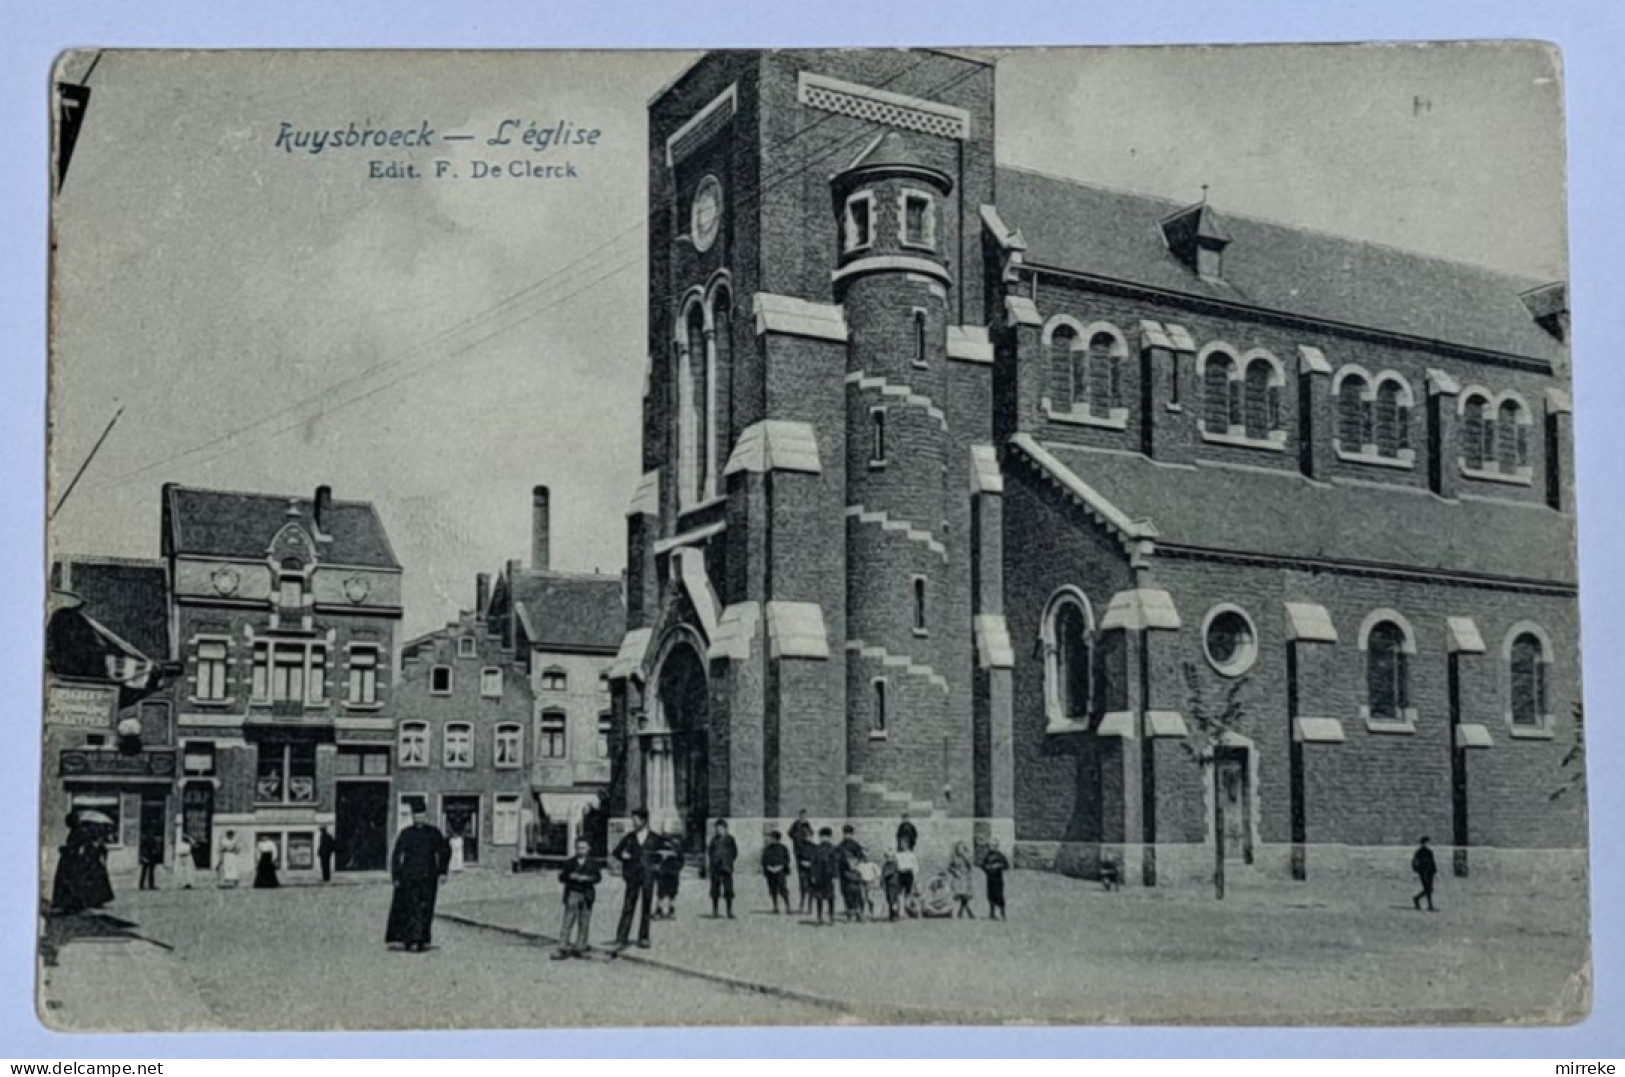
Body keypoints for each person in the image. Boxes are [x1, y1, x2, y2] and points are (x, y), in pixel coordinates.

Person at [386, 803, 451, 952]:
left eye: (422, 816)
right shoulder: (406, 834)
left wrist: (442, 871)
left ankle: (421, 939)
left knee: (426, 908)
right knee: (411, 908)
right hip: (409, 877)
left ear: (426, 816)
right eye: (416, 816)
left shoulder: (433, 833)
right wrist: (396, 875)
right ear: (413, 817)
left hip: (429, 877)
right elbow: (396, 855)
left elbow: (444, 851)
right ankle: (410, 939)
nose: (419, 818)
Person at [612, 809, 658, 950]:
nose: (633, 822)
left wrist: (656, 867)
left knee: (646, 907)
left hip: (648, 877)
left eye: (636, 819)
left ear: (644, 821)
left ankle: (643, 937)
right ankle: (621, 937)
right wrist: (623, 857)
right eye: (633, 819)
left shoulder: (655, 838)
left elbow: (664, 854)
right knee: (628, 906)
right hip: (632, 877)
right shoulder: (630, 837)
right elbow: (616, 852)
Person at [553, 838, 602, 960]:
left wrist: (587, 878)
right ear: (575, 849)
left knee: (584, 921)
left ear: (588, 849)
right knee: (568, 920)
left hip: (587, 894)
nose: (581, 850)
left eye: (584, 848)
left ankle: (581, 947)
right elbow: (561, 877)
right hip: (573, 893)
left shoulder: (593, 863)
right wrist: (570, 876)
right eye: (579, 848)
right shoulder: (570, 863)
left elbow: (598, 878)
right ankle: (562, 947)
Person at [707, 818, 739, 919]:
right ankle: (715, 911)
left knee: (728, 890)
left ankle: (729, 911)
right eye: (717, 828)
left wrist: (728, 861)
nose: (718, 830)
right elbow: (710, 852)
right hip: (715, 868)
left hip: (726, 868)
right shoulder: (713, 840)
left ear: (725, 829)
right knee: (715, 890)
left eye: (720, 828)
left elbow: (734, 852)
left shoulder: (730, 839)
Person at [808, 827, 839, 925]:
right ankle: (819, 917)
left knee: (830, 897)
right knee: (819, 897)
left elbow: (835, 863)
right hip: (819, 875)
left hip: (829, 876)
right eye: (822, 837)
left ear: (830, 837)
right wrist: (812, 875)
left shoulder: (833, 849)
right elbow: (813, 863)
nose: (824, 839)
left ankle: (831, 916)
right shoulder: (816, 849)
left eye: (826, 837)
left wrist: (835, 876)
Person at [837, 824, 867, 923]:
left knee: (856, 892)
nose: (847, 836)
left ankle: (859, 912)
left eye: (849, 834)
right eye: (846, 834)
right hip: (844, 872)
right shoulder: (840, 846)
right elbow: (837, 858)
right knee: (846, 892)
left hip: (854, 873)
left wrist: (855, 862)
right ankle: (850, 913)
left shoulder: (855, 845)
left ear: (852, 834)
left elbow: (862, 857)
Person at [788, 810, 814, 913]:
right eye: (802, 815)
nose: (804, 817)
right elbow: (789, 833)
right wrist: (797, 839)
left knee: (811, 884)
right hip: (800, 855)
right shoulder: (796, 824)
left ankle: (809, 906)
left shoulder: (807, 824)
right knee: (803, 883)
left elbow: (811, 831)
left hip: (810, 864)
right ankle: (802, 904)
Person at [761, 829, 792, 914]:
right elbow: (764, 860)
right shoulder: (767, 849)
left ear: (778, 839)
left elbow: (787, 859)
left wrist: (780, 867)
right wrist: (769, 867)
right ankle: (775, 907)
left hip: (780, 872)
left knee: (783, 890)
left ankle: (788, 907)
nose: (771, 840)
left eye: (773, 838)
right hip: (770, 873)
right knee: (773, 889)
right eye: (771, 838)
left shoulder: (783, 848)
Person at [654, 836, 683, 921]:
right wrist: (658, 866)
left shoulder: (677, 850)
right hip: (662, 874)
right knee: (661, 893)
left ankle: (671, 910)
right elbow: (654, 861)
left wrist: (676, 868)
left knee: (672, 893)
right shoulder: (659, 850)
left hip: (673, 874)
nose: (668, 844)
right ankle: (659, 910)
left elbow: (681, 861)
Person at [981, 838, 1011, 920]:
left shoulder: (1000, 855)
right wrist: (986, 867)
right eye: (989, 845)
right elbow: (983, 865)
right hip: (990, 878)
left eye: (993, 845)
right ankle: (992, 913)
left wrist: (997, 865)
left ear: (996, 846)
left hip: (998, 879)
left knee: (999, 895)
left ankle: (1002, 913)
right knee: (990, 896)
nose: (991, 847)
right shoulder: (987, 855)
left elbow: (1006, 865)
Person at [1412, 835, 1439, 912]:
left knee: (1429, 889)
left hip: (1430, 872)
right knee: (1428, 889)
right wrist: (1419, 870)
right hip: (1423, 872)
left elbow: (1432, 862)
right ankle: (1428, 904)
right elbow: (1416, 862)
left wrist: (1434, 870)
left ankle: (1418, 899)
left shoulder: (1429, 852)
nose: (1427, 844)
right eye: (1426, 842)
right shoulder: (1419, 852)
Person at [949, 841, 976, 918]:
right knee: (961, 895)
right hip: (958, 878)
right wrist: (955, 871)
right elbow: (949, 867)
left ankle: (961, 912)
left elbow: (970, 866)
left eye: (962, 848)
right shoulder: (954, 857)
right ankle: (968, 912)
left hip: (966, 877)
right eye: (959, 848)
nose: (960, 850)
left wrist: (965, 856)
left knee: (965, 895)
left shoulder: (967, 856)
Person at [895, 838, 919, 907]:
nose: (902, 845)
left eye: (904, 843)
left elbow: (915, 866)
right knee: (899, 892)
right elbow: (896, 865)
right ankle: (901, 908)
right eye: (901, 843)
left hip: (909, 874)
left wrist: (915, 877)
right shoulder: (898, 855)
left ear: (908, 844)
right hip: (900, 874)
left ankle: (907, 906)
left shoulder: (912, 855)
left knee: (908, 892)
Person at [881, 852, 902, 921]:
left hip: (894, 884)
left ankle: (895, 914)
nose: (888, 858)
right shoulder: (885, 865)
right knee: (889, 900)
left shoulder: (894, 865)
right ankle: (891, 915)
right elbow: (883, 874)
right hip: (888, 885)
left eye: (890, 857)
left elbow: (888, 873)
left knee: (894, 900)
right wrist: (882, 882)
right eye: (887, 857)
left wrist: (884, 876)